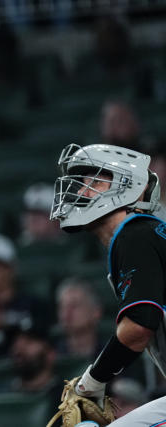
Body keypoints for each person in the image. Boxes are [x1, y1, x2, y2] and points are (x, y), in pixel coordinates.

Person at [50, 143, 165, 425]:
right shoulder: (142, 233)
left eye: (94, 181)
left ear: (128, 185)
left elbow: (139, 323)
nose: (80, 190)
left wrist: (92, 380)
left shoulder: (135, 233)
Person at [54, 277, 105, 359]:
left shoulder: (110, 356)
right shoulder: (52, 356)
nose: (66, 313)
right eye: (63, 306)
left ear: (96, 312)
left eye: (74, 306)